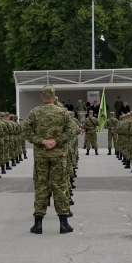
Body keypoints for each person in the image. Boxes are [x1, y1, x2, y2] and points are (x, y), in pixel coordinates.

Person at [23, 85, 78, 233]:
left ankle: (38, 224)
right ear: (54, 97)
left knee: (41, 186)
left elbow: (25, 131)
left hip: (41, 155)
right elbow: (73, 130)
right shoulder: (63, 112)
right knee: (60, 186)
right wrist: (57, 141)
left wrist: (41, 141)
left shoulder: (34, 112)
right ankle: (63, 223)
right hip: (59, 155)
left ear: (42, 96)